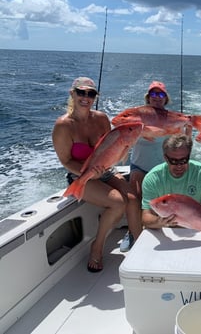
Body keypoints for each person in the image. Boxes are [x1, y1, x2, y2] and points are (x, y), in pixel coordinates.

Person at [52, 77, 142, 272]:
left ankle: (140, 247)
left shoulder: (101, 118)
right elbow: (66, 161)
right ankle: (97, 246)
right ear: (72, 93)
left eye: (91, 93)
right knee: (118, 203)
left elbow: (113, 150)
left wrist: (127, 146)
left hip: (106, 170)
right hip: (79, 176)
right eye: (81, 92)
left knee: (133, 198)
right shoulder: (63, 125)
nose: (86, 97)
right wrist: (88, 175)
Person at [119, 80, 171, 252]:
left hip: (162, 167)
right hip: (139, 165)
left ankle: (158, 230)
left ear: (166, 98)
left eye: (161, 94)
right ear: (148, 98)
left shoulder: (172, 118)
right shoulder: (136, 115)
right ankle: (132, 232)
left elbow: (181, 141)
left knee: (161, 202)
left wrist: (185, 130)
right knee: (136, 197)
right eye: (153, 94)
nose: (157, 97)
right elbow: (121, 129)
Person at [142, 133, 201, 230]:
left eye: (183, 160)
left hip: (197, 227)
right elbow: (146, 215)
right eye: (173, 161)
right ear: (165, 158)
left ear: (189, 156)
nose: (179, 166)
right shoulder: (152, 178)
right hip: (166, 229)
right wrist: (159, 222)